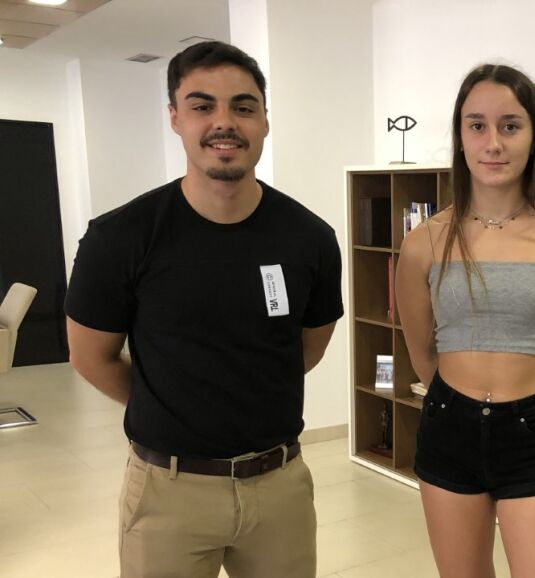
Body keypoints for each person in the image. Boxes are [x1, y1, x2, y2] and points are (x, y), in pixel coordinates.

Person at [64, 41, 342, 578]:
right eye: (201, 105)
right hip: (167, 493)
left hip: (279, 488)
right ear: (174, 117)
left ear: (264, 119)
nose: (224, 122)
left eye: (243, 106)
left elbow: (305, 350)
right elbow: (89, 356)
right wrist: (171, 405)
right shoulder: (120, 237)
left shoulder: (309, 238)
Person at [394, 63, 535, 578]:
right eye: (477, 126)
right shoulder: (425, 242)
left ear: (534, 137)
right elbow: (422, 353)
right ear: (460, 137)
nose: (493, 143)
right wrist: (458, 405)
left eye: (510, 126)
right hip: (448, 429)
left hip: (534, 433)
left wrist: (533, 413)